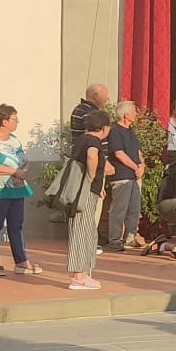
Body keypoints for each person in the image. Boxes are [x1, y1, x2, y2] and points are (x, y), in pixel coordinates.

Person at [0, 104, 40, 277]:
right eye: (14, 118)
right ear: (4, 121)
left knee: (16, 224)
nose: (17, 121)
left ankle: (21, 261)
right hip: (0, 188)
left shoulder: (14, 139)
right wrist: (13, 171)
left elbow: (24, 160)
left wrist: (22, 171)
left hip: (17, 187)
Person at [65, 109, 112, 291]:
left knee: (88, 230)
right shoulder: (92, 141)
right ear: (104, 128)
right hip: (83, 192)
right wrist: (92, 178)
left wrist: (97, 187)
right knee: (81, 229)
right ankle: (77, 276)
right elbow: (92, 156)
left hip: (87, 191)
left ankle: (83, 273)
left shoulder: (82, 139)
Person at [104, 101, 145, 251]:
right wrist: (135, 167)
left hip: (134, 176)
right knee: (119, 209)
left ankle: (131, 236)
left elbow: (138, 152)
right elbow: (119, 153)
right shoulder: (115, 131)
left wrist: (142, 166)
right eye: (134, 111)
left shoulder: (131, 131)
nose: (136, 114)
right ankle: (115, 239)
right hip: (122, 176)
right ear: (126, 114)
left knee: (135, 208)